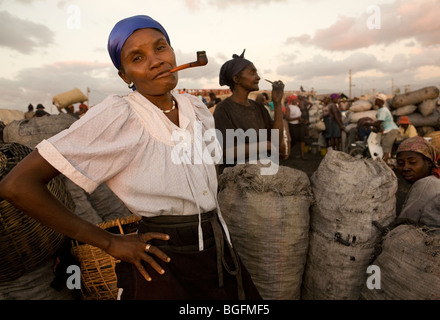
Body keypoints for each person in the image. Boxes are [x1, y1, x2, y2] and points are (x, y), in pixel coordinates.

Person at [0, 15, 261, 300]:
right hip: (161, 258)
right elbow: (17, 185)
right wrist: (109, 242)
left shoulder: (195, 106)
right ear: (125, 76)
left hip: (219, 249)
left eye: (161, 48)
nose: (156, 61)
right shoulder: (118, 116)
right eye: (138, 57)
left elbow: (208, 166)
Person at [213, 50, 284, 174]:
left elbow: (276, 141)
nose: (258, 77)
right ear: (236, 78)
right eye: (252, 73)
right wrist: (265, 145)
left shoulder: (259, 107)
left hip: (264, 172)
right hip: (239, 178)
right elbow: (227, 151)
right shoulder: (223, 109)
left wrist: (277, 103)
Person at [396, 136, 440, 228]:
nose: (405, 168)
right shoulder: (439, 181)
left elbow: (404, 224)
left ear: (428, 162)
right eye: (400, 163)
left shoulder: (425, 184)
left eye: (412, 162)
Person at [370, 93, 399, 162]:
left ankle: (383, 168)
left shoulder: (383, 110)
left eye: (377, 99)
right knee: (385, 149)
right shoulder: (381, 110)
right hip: (388, 130)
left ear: (381, 101)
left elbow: (379, 122)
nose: (375, 101)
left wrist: (368, 123)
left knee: (386, 151)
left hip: (390, 130)